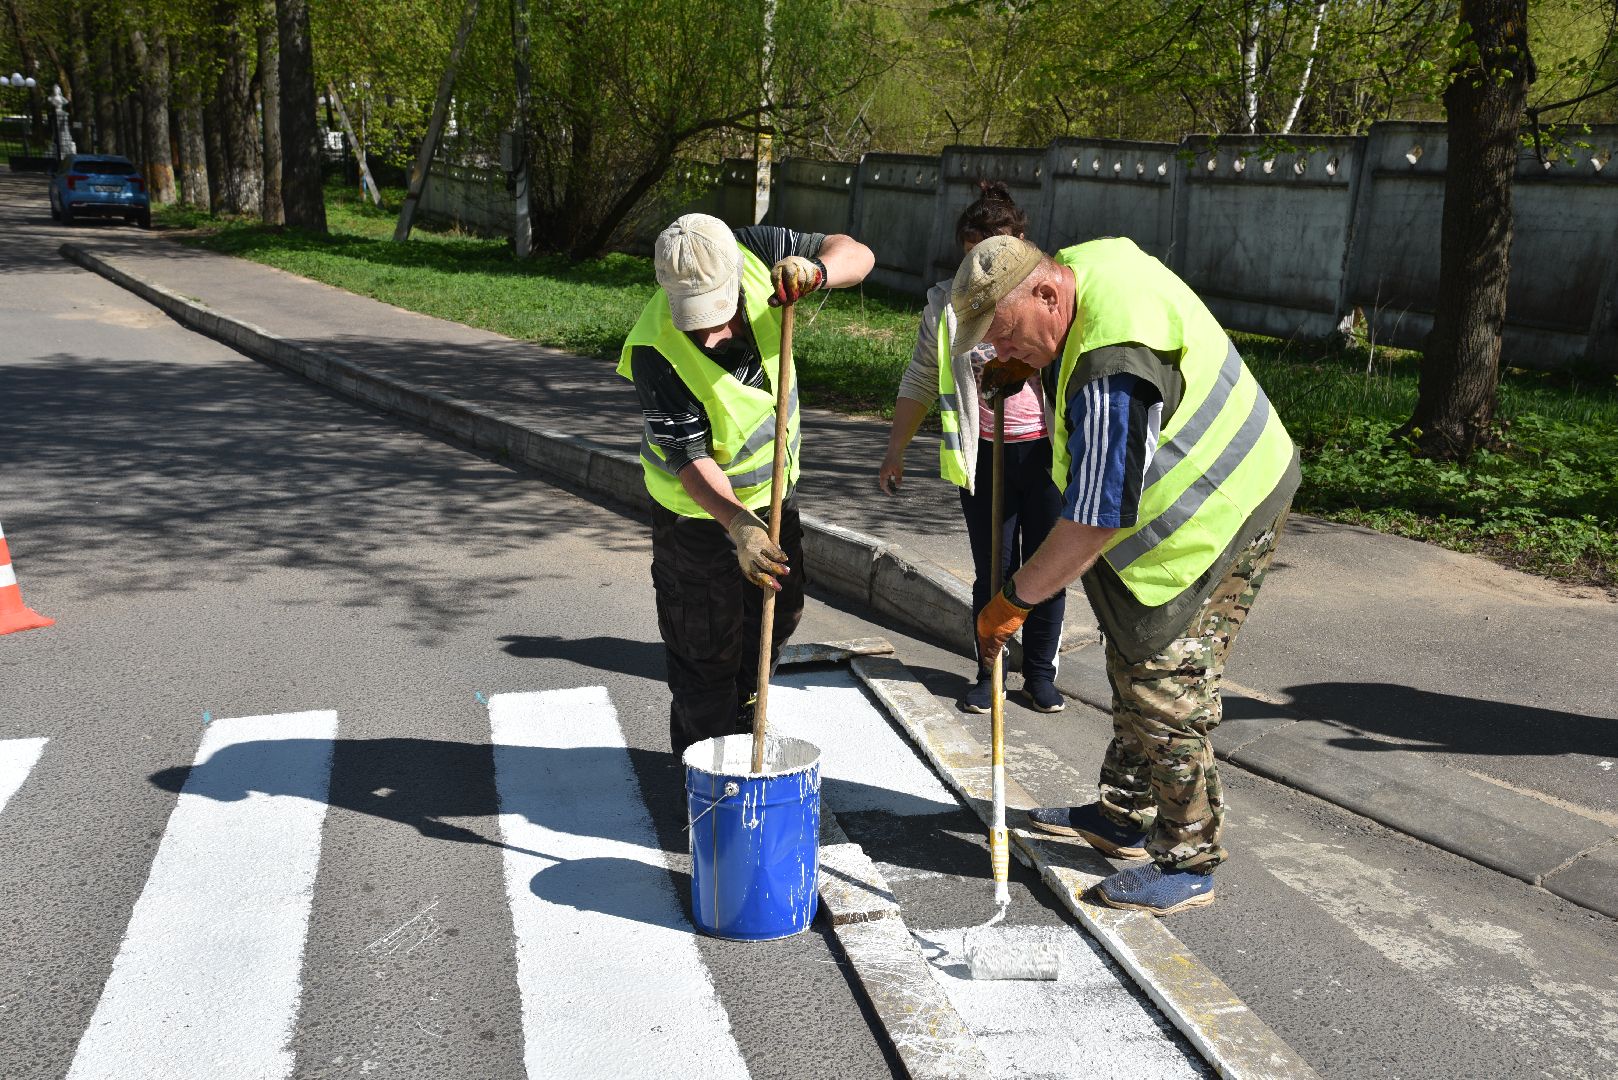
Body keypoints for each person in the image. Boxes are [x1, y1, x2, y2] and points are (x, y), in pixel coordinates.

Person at [957, 234, 1299, 916]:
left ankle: (1189, 857)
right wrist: (1029, 365)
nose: (1000, 352)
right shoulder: (1080, 274)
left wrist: (1013, 600)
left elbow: (1096, 518)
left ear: (1047, 293)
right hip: (1175, 510)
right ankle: (1122, 815)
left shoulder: (1115, 366)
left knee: (1164, 691)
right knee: (1132, 662)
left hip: (1219, 511)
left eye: (1006, 336)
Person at [618, 214, 875, 760]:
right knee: (704, 656)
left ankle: (744, 723)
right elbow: (690, 460)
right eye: (695, 319)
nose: (709, 333)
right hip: (700, 521)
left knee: (777, 617)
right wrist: (740, 527)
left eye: (718, 311)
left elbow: (858, 253)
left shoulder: (756, 250)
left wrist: (818, 271)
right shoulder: (654, 352)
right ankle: (709, 790)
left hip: (776, 500)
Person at [877, 182, 1067, 715]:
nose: (976, 278)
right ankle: (991, 671)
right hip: (983, 455)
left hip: (1047, 455)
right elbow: (919, 375)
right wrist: (896, 448)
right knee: (994, 568)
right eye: (968, 264)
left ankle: (1040, 673)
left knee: (1046, 569)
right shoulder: (946, 302)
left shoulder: (1049, 298)